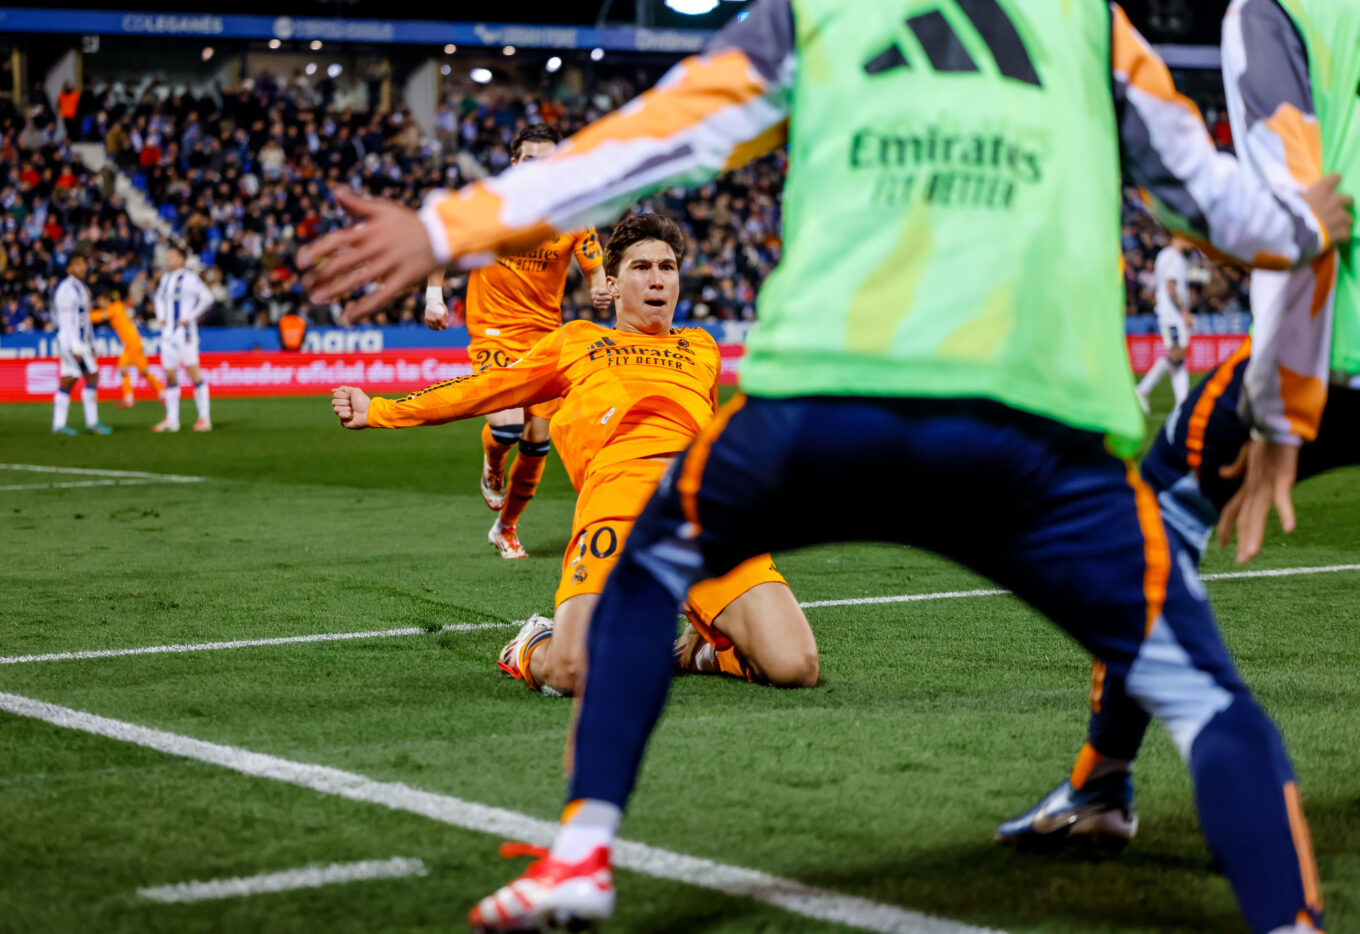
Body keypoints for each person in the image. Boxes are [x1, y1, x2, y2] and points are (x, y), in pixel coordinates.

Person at [299, 2, 1353, 930]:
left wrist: (446, 226)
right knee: (1199, 689)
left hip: (832, 398)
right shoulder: (1089, 24)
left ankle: (579, 856)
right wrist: (1302, 226)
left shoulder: (819, 12)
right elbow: (1219, 208)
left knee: (649, 564)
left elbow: (661, 133)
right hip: (1035, 426)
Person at [998, 0, 1360, 858]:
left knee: (1146, 518)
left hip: (1336, 356)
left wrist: (1280, 413)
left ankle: (1099, 783)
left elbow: (1305, 213)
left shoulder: (1274, 12)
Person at [332, 214, 818, 696]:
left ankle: (694, 650)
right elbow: (483, 390)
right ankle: (531, 644)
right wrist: (381, 410)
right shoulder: (577, 342)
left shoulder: (702, 348)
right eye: (641, 267)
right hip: (617, 504)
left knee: (795, 665)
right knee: (573, 672)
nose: (657, 279)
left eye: (667, 267)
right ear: (613, 284)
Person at [420, 124, 613, 560]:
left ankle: (506, 527)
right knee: (506, 428)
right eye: (530, 160)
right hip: (493, 331)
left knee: (537, 442)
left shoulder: (574, 215)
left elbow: (595, 270)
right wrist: (434, 297)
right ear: (514, 163)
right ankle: (492, 465)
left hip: (545, 338)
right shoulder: (487, 208)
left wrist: (600, 289)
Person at [150, 244, 214, 433]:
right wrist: (161, 315)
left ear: (181, 259)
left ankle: (204, 418)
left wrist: (191, 316)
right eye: (167, 255)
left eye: (171, 256)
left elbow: (208, 298)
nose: (167, 258)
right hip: (168, 334)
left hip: (185, 335)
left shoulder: (190, 278)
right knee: (170, 377)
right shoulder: (165, 279)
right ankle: (172, 420)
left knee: (194, 374)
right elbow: (158, 299)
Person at [51, 251, 110, 436]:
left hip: (80, 342)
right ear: (69, 268)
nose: (82, 267)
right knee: (92, 376)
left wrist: (91, 343)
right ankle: (92, 423)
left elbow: (85, 319)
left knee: (68, 380)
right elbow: (67, 321)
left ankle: (59, 425)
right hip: (73, 343)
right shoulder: (67, 290)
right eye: (77, 264)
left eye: (84, 263)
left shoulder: (82, 288)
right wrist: (76, 346)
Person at [1136, 235, 1195, 412]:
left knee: (1180, 359)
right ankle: (1143, 389)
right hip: (1172, 315)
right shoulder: (1172, 257)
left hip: (1172, 314)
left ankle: (1182, 402)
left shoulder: (1167, 255)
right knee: (1177, 354)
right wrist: (1184, 311)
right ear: (1178, 236)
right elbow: (1171, 287)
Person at [90, 286, 164, 409]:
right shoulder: (117, 307)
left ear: (105, 299)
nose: (100, 304)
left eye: (100, 301)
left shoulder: (115, 308)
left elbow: (98, 316)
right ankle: (143, 395)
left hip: (132, 343)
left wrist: (84, 316)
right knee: (133, 370)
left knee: (134, 369)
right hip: (132, 343)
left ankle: (152, 394)